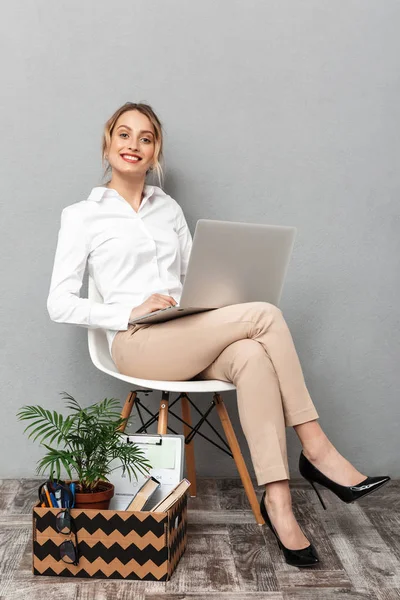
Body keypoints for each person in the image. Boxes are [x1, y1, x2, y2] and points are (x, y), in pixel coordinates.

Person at [47, 102, 390, 568]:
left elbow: (196, 280)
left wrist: (220, 296)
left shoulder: (167, 209)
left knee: (250, 352)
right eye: (124, 135)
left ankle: (280, 506)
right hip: (136, 342)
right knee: (265, 315)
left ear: (156, 152)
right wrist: (128, 309)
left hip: (185, 332)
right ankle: (318, 449)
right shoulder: (82, 215)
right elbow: (59, 303)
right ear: (107, 145)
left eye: (145, 138)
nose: (134, 145)